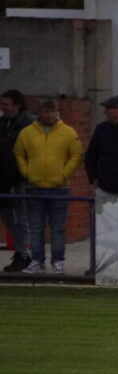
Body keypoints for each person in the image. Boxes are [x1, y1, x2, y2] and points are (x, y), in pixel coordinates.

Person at [13, 99, 83, 274]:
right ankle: (37, 260)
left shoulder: (68, 132)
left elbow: (77, 153)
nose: (50, 114)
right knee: (35, 227)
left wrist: (64, 173)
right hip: (34, 186)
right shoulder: (27, 133)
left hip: (60, 187)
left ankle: (58, 261)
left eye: (53, 111)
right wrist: (26, 172)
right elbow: (19, 153)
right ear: (40, 113)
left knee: (58, 227)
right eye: (46, 111)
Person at [1, 90, 35, 272]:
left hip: (21, 177)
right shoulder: (3, 123)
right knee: (7, 216)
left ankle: (24, 253)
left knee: (22, 217)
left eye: (6, 104)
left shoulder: (28, 124)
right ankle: (20, 251)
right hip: (5, 176)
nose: (2, 107)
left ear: (17, 105)